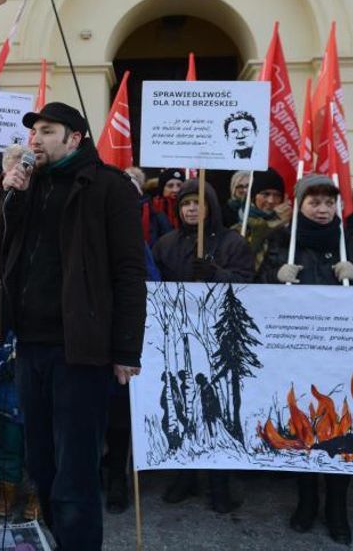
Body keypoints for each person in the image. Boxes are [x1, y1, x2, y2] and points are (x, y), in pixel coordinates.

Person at [0, 102, 146, 550]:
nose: (35, 139)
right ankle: (61, 540)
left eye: (47, 131)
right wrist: (8, 193)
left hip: (81, 349)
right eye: (33, 131)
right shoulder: (28, 184)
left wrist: (126, 350)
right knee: (42, 465)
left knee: (75, 470)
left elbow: (130, 272)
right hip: (29, 346)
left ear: (75, 137)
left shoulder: (108, 188)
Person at [259, 173, 353, 545]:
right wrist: (273, 276)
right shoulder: (280, 240)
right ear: (300, 204)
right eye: (315, 202)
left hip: (343, 352)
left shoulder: (351, 241)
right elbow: (256, 292)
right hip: (297, 353)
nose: (323, 210)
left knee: (341, 428)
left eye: (329, 203)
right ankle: (306, 500)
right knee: (304, 425)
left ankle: (337, 506)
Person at [151, 178, 253, 513]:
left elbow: (249, 285)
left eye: (198, 203)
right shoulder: (166, 243)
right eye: (185, 204)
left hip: (220, 339)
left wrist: (216, 273)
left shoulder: (232, 243)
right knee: (184, 403)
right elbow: (154, 286)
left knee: (217, 408)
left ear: (211, 206)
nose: (191, 209)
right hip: (179, 335)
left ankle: (219, 480)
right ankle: (185, 473)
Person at [0, 325, 40, 521]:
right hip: (7, 409)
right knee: (7, 452)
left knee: (40, 454)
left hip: (39, 410)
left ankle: (38, 494)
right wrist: (3, 368)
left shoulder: (47, 329)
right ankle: (6, 491)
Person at [234, 169, 291, 270]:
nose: (271, 200)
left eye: (277, 195)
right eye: (265, 194)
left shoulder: (291, 224)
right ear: (253, 197)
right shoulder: (237, 227)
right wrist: (278, 221)